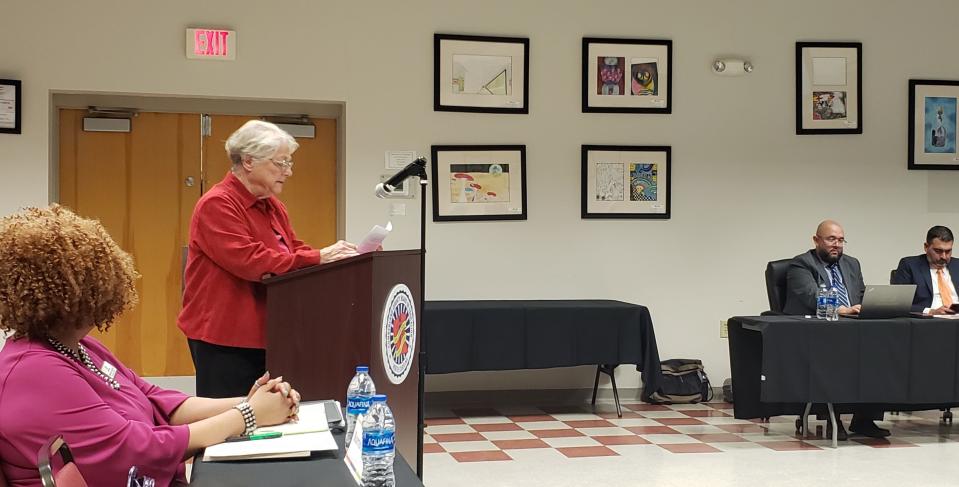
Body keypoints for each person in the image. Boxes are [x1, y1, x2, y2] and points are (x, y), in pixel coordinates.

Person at [0, 205, 300, 486]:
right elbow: (134, 451)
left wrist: (249, 402)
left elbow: (154, 400)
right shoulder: (34, 370)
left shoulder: (76, 346)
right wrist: (248, 416)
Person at [178, 120, 359, 398]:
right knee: (231, 422)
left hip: (270, 330)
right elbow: (251, 261)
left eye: (289, 164)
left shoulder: (272, 204)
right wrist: (318, 257)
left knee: (267, 419)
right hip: (226, 336)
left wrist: (336, 259)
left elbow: (292, 249)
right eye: (281, 163)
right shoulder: (218, 203)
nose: (287, 172)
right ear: (249, 161)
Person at [783, 220, 887, 439]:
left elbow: (859, 294)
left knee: (880, 351)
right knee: (835, 357)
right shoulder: (801, 264)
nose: (836, 245)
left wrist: (863, 307)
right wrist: (842, 309)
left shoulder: (852, 263)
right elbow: (812, 296)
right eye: (831, 239)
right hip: (818, 328)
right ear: (816, 240)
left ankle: (864, 419)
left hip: (853, 325)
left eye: (841, 240)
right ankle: (833, 418)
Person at [892, 225, 958, 315]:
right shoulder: (910, 265)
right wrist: (931, 311)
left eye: (948, 251)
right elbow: (899, 303)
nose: (944, 256)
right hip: (928, 321)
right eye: (938, 251)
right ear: (926, 247)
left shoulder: (957, 265)